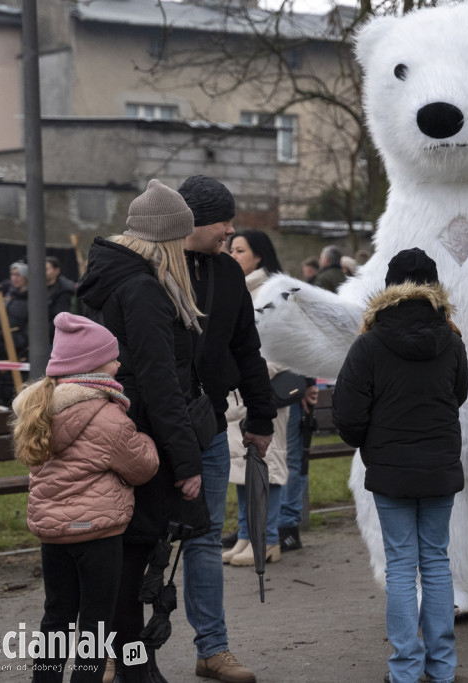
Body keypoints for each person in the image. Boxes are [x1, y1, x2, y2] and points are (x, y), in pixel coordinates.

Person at [77, 179, 205, 683]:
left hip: (112, 438)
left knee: (121, 572)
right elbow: (160, 381)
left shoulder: (109, 280)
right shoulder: (145, 289)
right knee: (134, 574)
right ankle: (138, 673)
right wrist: (187, 460)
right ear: (167, 240)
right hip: (143, 444)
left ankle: (134, 669)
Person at [332, 247, 468, 683]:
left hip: (390, 468)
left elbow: (348, 412)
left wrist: (368, 440)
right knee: (435, 560)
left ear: (390, 288)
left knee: (400, 563)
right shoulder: (451, 339)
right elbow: (458, 394)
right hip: (440, 466)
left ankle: (406, 668)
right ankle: (443, 668)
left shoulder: (369, 344)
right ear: (434, 288)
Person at [11, 313, 159, 683]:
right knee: (95, 623)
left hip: (53, 535)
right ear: (92, 365)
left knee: (56, 616)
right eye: (112, 356)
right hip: (97, 535)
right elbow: (141, 467)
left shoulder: (39, 409)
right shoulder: (107, 415)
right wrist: (147, 441)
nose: (119, 361)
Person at [178, 176, 278, 683]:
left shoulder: (226, 273)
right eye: (225, 222)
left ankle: (212, 650)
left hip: (211, 428)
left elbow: (246, 347)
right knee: (137, 541)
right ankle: (116, 650)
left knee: (202, 540)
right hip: (148, 430)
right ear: (194, 220)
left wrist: (260, 417)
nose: (231, 231)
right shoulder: (148, 269)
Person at [222, 228, 296, 566]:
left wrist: (251, 373)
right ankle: (245, 536)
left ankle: (266, 540)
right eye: (231, 249)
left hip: (263, 394)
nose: (232, 255)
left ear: (259, 256)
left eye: (239, 250)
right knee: (241, 467)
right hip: (236, 397)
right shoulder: (239, 290)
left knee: (266, 466)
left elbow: (284, 349)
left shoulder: (273, 294)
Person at [0, 261, 31, 406]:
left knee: (15, 390)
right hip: (2, 348)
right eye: (13, 274)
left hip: (19, 349)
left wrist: (21, 341)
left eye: (18, 275)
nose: (15, 278)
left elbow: (31, 325)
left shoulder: (32, 299)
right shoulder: (8, 295)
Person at [46, 256, 77, 343]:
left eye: (46, 269)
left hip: (53, 339)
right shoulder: (39, 287)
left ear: (56, 270)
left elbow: (60, 317)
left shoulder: (64, 290)